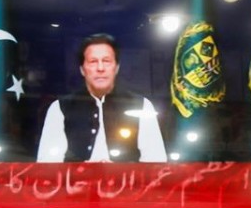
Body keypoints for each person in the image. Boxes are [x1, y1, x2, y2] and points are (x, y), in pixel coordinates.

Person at [36, 33, 167, 163]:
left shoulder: (142, 106)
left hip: (127, 183)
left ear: (116, 67)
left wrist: (118, 173)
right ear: (82, 69)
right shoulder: (59, 108)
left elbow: (156, 164)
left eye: (106, 61)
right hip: (76, 183)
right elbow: (47, 166)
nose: (100, 68)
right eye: (93, 62)